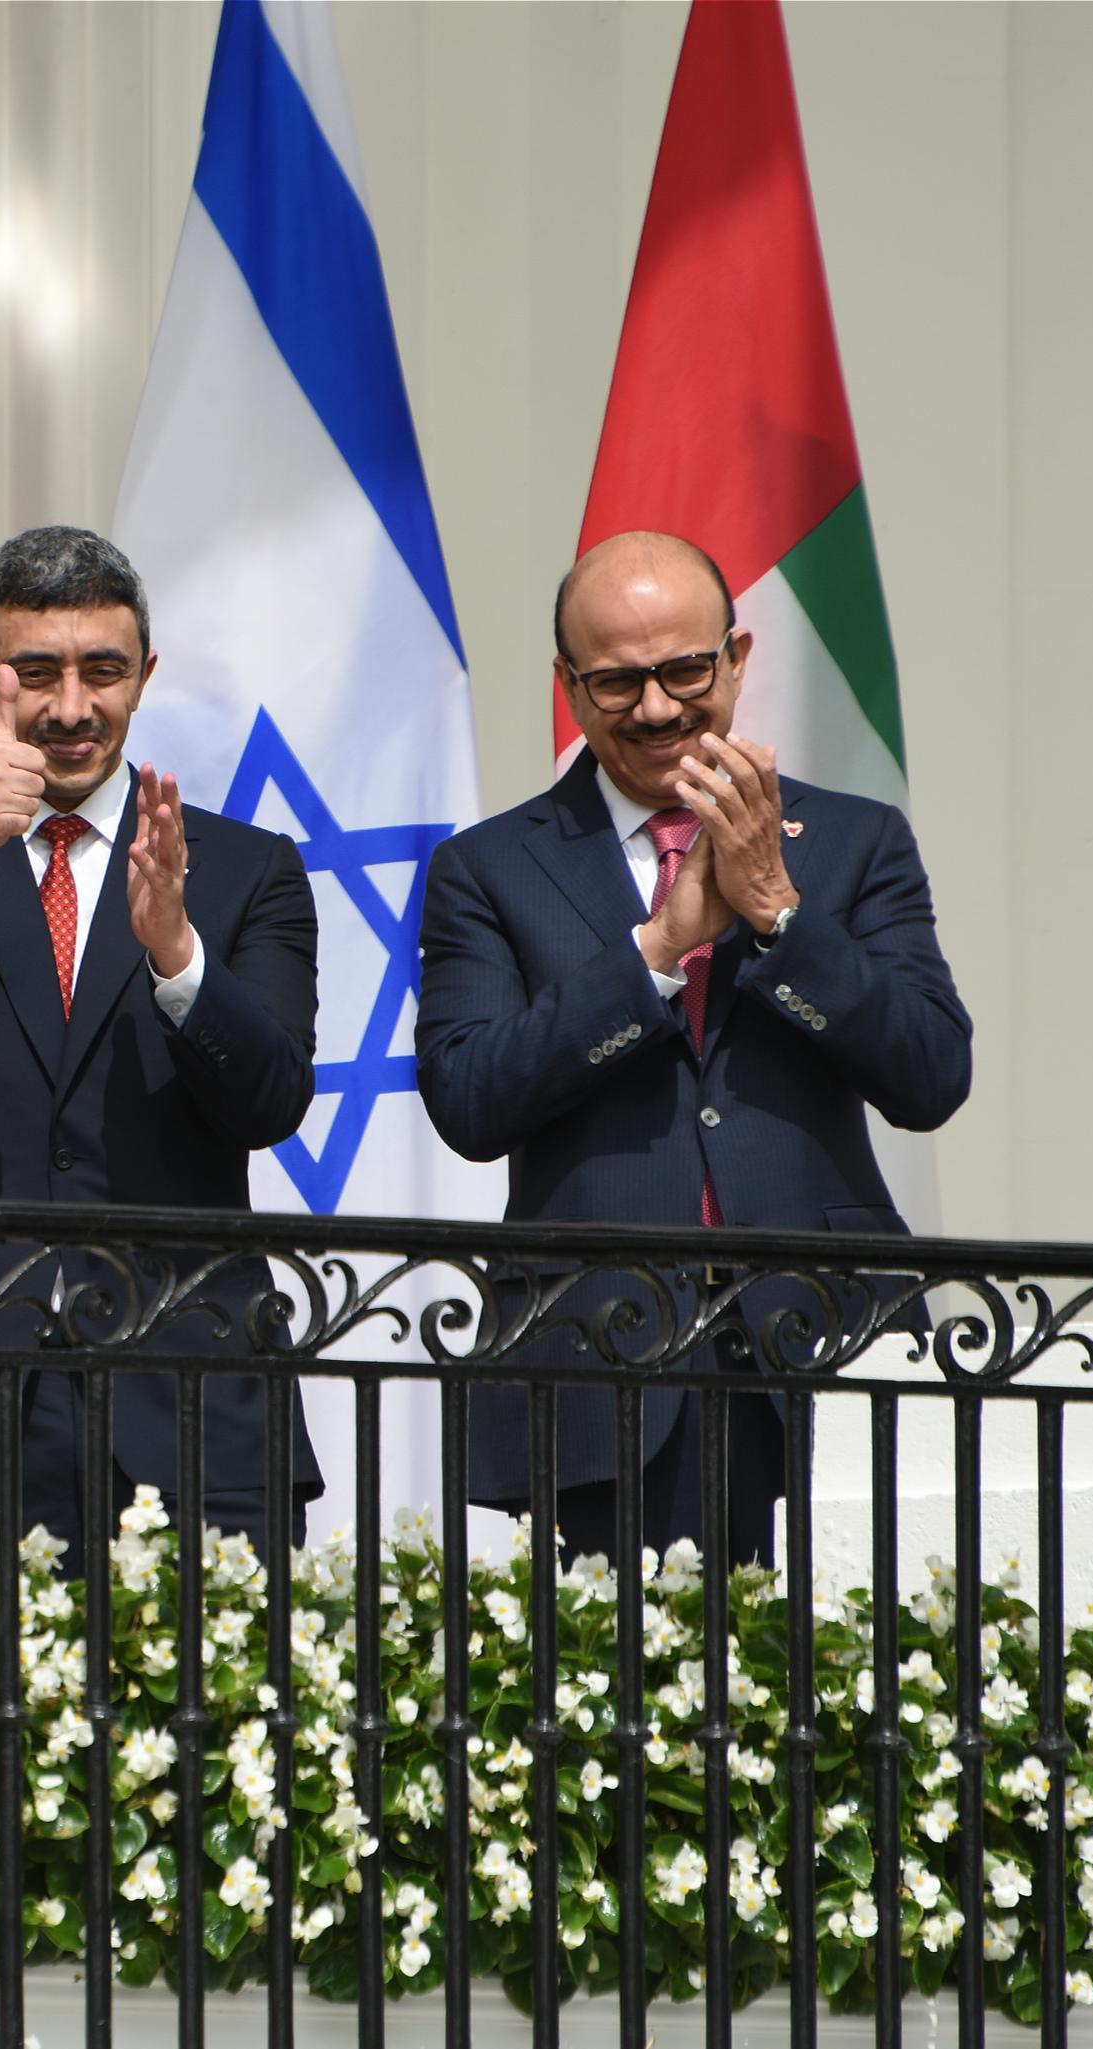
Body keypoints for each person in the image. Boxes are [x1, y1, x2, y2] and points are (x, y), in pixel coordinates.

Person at [416, 529, 971, 1567]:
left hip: (825, 1339)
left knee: (847, 1664)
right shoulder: (488, 868)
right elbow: (469, 1096)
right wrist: (655, 953)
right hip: (596, 1356)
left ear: (737, 658)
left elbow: (931, 1074)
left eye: (685, 671)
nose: (658, 708)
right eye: (617, 682)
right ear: (568, 688)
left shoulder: (853, 842)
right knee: (614, 1670)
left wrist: (780, 915)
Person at [0, 526, 322, 1564]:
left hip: (189, 1389)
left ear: (144, 676)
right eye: (35, 673)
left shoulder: (245, 870)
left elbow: (271, 1102)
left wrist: (176, 953)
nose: (73, 707)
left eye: (103, 671)